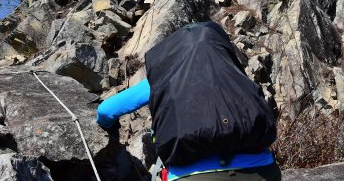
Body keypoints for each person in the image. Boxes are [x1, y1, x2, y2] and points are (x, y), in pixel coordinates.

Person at [96, 22, 281, 181]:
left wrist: (109, 127)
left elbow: (106, 110)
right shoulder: (231, 72)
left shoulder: (163, 78)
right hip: (263, 172)